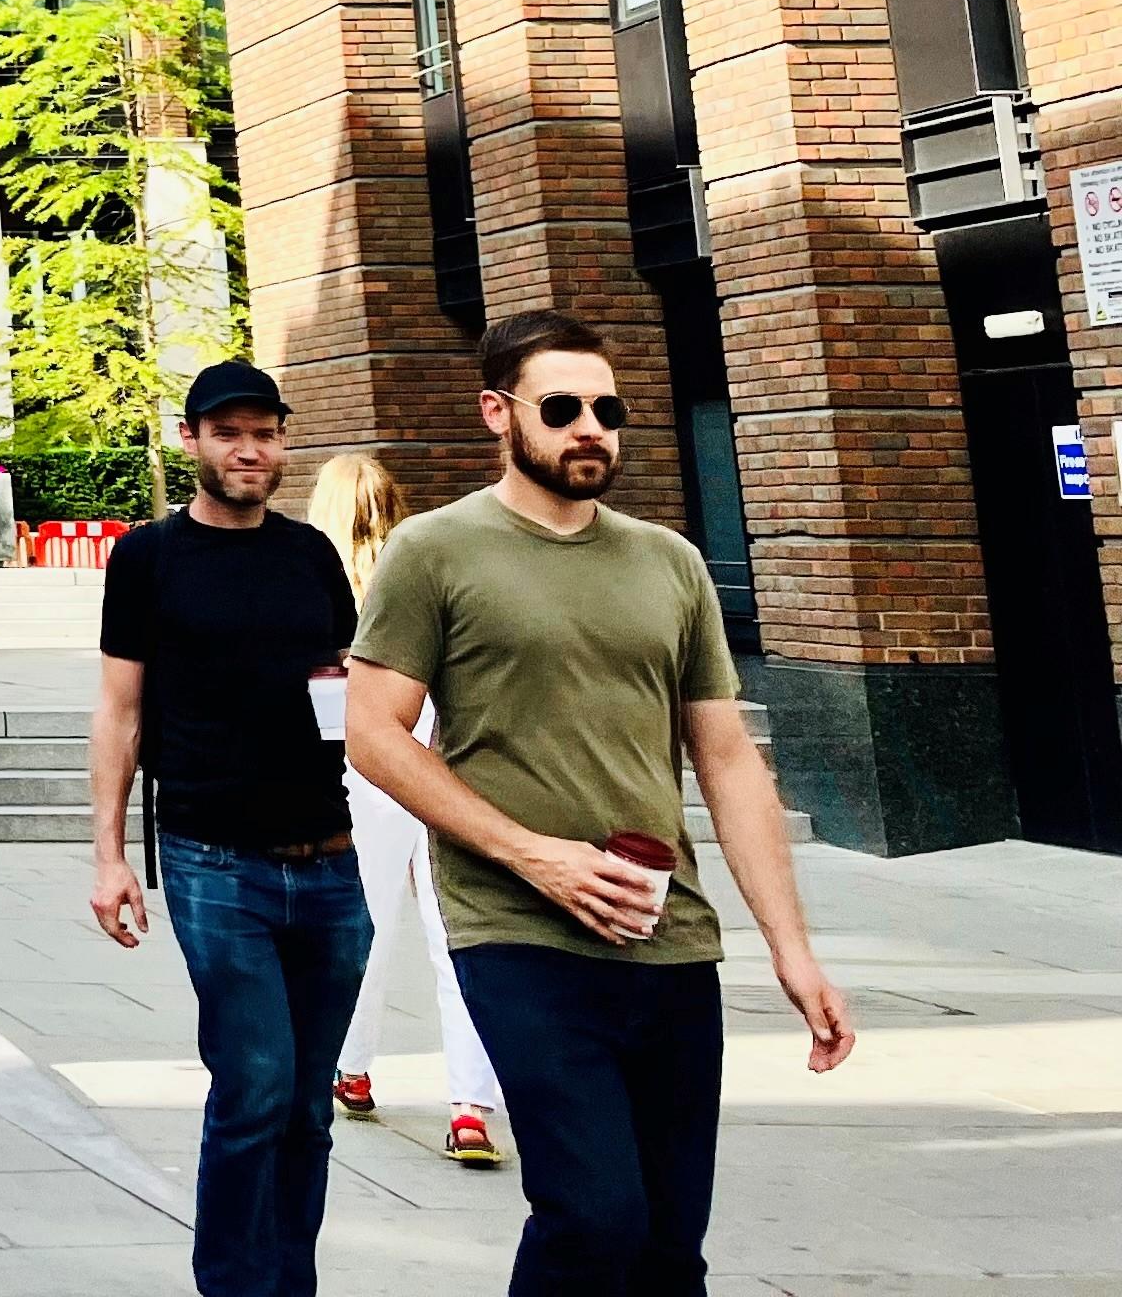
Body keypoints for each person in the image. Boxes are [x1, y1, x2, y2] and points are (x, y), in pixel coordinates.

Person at [350, 311, 852, 1294]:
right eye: (563, 407)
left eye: (608, 409)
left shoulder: (669, 563)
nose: (591, 428)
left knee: (669, 1247)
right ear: (499, 414)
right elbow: (375, 734)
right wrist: (533, 855)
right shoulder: (435, 552)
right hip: (519, 934)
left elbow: (728, 758)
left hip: (667, 939)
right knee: (594, 1215)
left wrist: (792, 950)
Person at [88, 362, 370, 1297]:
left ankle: (292, 1282)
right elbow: (119, 713)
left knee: (308, 1113)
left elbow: (352, 691)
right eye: (230, 432)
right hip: (215, 860)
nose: (251, 450)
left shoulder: (311, 556)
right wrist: (109, 856)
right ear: (193, 441)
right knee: (254, 1091)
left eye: (267, 432)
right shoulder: (148, 559)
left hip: (330, 861)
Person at [306, 452, 502, 1168]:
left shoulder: (316, 586)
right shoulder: (431, 571)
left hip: (365, 773)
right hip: (444, 763)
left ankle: (351, 1067)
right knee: (459, 931)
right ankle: (470, 1106)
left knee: (366, 930)